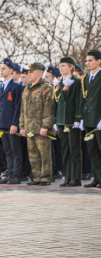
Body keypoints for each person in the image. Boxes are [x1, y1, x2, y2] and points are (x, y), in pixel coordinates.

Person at [19, 63, 55, 185]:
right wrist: (22, 126)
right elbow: (23, 110)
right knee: (33, 155)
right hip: (29, 127)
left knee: (44, 154)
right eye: (28, 72)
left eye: (32, 72)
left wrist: (45, 126)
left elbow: (49, 109)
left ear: (40, 73)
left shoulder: (47, 87)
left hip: (41, 128)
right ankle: (37, 177)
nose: (29, 74)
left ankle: (46, 178)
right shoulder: (27, 88)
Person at [53, 57, 82, 187]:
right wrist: (55, 120)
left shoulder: (77, 82)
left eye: (63, 66)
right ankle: (68, 177)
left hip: (71, 120)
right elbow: (56, 102)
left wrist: (78, 119)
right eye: (60, 66)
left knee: (74, 149)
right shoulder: (58, 82)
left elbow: (79, 101)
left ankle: (76, 177)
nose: (61, 68)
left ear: (71, 67)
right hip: (61, 120)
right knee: (65, 150)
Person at [0, 59, 23, 184]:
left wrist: (14, 124)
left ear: (11, 71)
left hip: (12, 123)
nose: (1, 71)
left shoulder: (17, 86)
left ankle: (16, 175)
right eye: (1, 69)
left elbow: (17, 106)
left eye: (4, 69)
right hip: (2, 122)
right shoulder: (0, 87)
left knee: (15, 150)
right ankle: (9, 173)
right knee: (7, 150)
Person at [78, 50, 101, 188]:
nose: (88, 63)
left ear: (99, 61)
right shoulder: (86, 78)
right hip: (89, 119)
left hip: (98, 119)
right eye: (86, 61)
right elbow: (83, 98)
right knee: (92, 151)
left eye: (90, 60)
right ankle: (97, 178)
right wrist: (81, 118)